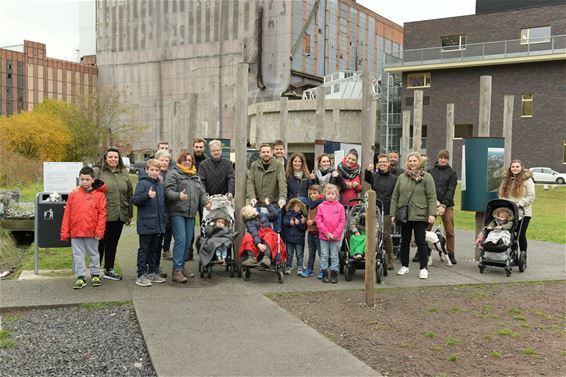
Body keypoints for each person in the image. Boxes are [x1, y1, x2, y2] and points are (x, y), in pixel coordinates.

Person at [390, 152, 437, 279]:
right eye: (410, 161)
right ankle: (405, 266)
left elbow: (432, 197)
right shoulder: (402, 177)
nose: (412, 163)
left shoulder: (427, 177)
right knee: (404, 241)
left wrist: (432, 213)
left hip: (420, 215)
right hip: (404, 214)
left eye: (414, 161)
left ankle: (423, 268)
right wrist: (393, 213)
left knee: (421, 241)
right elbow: (395, 196)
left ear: (419, 162)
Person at [165, 152, 210, 283]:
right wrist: (178, 195)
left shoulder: (195, 175)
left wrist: (206, 201)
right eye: (185, 160)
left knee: (188, 240)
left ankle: (182, 265)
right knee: (181, 240)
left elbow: (201, 192)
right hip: (177, 212)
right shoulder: (174, 174)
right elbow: (168, 192)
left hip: (191, 213)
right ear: (180, 161)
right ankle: (176, 271)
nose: (188, 162)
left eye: (190, 160)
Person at [60, 167, 107, 289]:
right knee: (78, 254)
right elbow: (67, 214)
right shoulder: (73, 194)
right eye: (82, 179)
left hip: (92, 231)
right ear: (79, 179)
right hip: (76, 231)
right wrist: (65, 232)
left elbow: (102, 215)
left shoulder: (99, 196)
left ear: (93, 180)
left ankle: (95, 274)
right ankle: (80, 276)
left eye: (87, 179)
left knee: (93, 253)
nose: (84, 182)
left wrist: (99, 231)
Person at [94, 147, 133, 281]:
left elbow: (129, 193)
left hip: (119, 214)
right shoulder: (97, 172)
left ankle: (109, 269)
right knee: (100, 244)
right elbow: (89, 191)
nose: (113, 159)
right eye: (110, 157)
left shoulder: (123, 172)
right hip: (103, 215)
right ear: (105, 158)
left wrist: (129, 214)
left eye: (116, 157)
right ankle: (95, 270)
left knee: (113, 243)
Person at [133, 159, 167, 287]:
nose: (154, 172)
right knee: (144, 250)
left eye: (156, 170)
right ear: (146, 170)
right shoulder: (142, 183)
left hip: (158, 223)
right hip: (146, 223)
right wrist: (147, 196)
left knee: (154, 249)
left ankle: (152, 272)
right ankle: (141, 274)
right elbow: (135, 200)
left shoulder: (160, 184)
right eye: (151, 170)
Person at [364, 154, 398, 270]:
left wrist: (394, 213)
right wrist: (368, 170)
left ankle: (390, 259)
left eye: (385, 162)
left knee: (385, 234)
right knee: (372, 233)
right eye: (380, 162)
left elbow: (396, 196)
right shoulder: (374, 176)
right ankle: (372, 256)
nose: (382, 164)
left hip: (388, 209)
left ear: (389, 163)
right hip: (375, 208)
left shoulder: (394, 179)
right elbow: (367, 178)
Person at [497, 159, 535, 256]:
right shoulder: (506, 179)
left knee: (520, 235)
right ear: (510, 168)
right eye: (513, 167)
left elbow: (531, 196)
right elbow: (501, 194)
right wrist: (504, 202)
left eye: (517, 166)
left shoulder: (527, 180)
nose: (515, 168)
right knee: (510, 234)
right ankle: (512, 255)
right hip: (509, 212)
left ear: (521, 167)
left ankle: (523, 255)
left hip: (523, 212)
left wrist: (519, 203)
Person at [427, 149, 458, 265]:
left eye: (445, 158)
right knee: (426, 229)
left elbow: (451, 190)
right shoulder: (431, 171)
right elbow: (428, 187)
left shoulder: (452, 173)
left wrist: (444, 205)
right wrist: (435, 201)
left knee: (449, 230)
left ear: (448, 159)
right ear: (438, 158)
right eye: (441, 157)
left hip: (447, 205)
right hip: (432, 203)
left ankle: (450, 253)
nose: (443, 160)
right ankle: (423, 252)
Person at [316, 184, 346, 284]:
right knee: (324, 255)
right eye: (328, 194)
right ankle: (324, 273)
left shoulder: (340, 207)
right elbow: (318, 221)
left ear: (336, 195)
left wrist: (335, 234)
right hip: (324, 236)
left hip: (336, 237)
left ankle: (334, 273)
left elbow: (342, 222)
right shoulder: (321, 207)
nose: (330, 196)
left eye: (332, 194)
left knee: (334, 255)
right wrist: (327, 233)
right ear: (325, 194)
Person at [246, 143, 287, 209]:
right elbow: (250, 182)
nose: (266, 154)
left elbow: (282, 182)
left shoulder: (278, 165)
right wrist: (252, 197)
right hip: (258, 203)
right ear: (260, 154)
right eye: (263, 152)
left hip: (274, 204)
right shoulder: (254, 165)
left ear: (272, 153)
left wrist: (282, 198)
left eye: (268, 152)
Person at [155, 149, 173, 262]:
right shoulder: (153, 173)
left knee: (168, 229)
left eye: (167, 160)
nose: (164, 162)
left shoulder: (170, 174)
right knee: (158, 234)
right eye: (162, 160)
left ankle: (166, 249)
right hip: (156, 208)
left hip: (168, 206)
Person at [302, 185, 324, 278]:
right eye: (310, 194)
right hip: (310, 233)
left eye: (315, 193)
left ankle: (324, 270)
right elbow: (309, 217)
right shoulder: (310, 205)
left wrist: (314, 221)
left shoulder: (321, 204)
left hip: (318, 233)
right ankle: (310, 269)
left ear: (320, 194)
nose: (312, 195)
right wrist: (305, 219)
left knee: (321, 253)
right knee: (311, 253)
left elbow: (322, 218)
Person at [282, 198, 307, 276]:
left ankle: (300, 267)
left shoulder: (302, 216)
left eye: (298, 206)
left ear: (301, 208)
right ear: (292, 206)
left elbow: (303, 229)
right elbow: (284, 222)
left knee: (299, 254)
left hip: (299, 239)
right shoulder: (289, 214)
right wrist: (289, 223)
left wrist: (300, 223)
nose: (296, 208)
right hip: (289, 239)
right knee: (289, 254)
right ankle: (288, 266)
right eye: (295, 206)